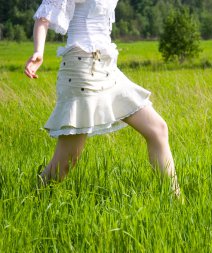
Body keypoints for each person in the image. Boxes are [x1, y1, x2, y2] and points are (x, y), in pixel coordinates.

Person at [24, 0, 180, 196]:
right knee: (66, 161)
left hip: (108, 67)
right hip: (82, 69)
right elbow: (44, 16)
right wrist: (38, 51)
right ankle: (31, 198)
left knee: (157, 129)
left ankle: (175, 201)